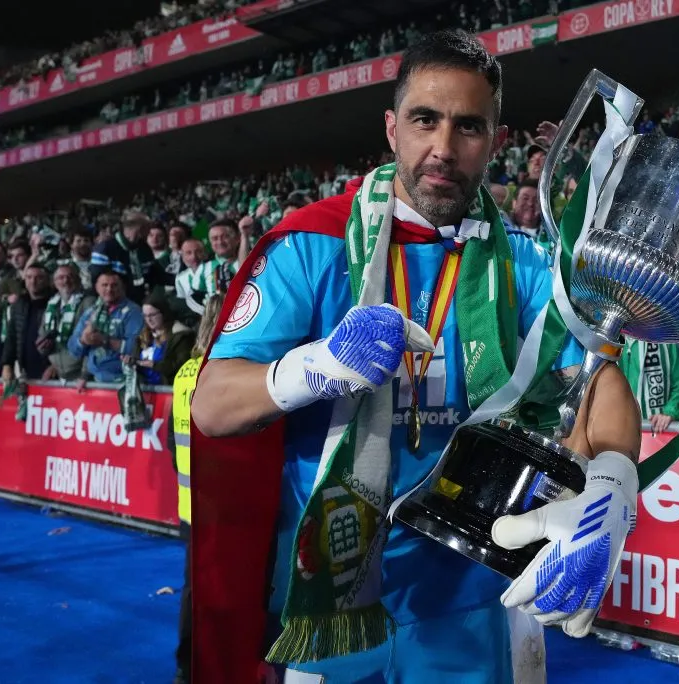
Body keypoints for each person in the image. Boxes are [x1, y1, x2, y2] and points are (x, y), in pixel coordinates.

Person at [190, 30, 642, 684]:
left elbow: (600, 386)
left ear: (496, 140)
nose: (443, 148)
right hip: (333, 601)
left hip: (475, 601)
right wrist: (312, 368)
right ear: (391, 128)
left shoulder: (526, 263)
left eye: (469, 127)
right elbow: (213, 405)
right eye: (424, 120)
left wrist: (611, 492)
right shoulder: (309, 246)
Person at [168, 293, 224, 684]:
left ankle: (187, 667)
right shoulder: (221, 374)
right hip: (220, 503)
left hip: (190, 502)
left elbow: (175, 444)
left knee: (193, 588)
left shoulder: (186, 371)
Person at [67, 270, 144, 384]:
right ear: (97, 287)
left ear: (122, 287)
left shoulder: (133, 312)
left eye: (114, 285)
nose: (109, 289)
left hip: (125, 381)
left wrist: (104, 340)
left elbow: (137, 348)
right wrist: (83, 340)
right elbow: (72, 349)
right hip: (95, 381)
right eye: (104, 285)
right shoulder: (91, 312)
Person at [618, 339, 679, 434]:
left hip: (656, 433)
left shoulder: (664, 341)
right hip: (616, 433)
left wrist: (669, 412)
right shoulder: (606, 340)